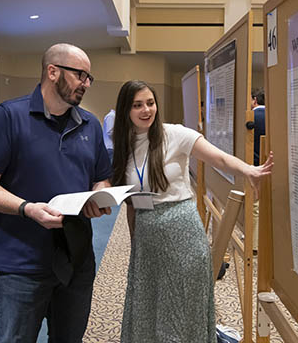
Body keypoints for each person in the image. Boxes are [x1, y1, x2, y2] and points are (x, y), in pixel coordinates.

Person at [0, 43, 112, 343]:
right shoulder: (9, 117)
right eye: (80, 75)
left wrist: (99, 196)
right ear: (53, 71)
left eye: (89, 78)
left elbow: (101, 179)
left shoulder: (91, 125)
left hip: (77, 262)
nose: (86, 84)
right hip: (22, 264)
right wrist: (27, 208)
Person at [112, 80, 274, 343]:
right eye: (137, 105)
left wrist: (248, 170)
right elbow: (132, 202)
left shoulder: (174, 134)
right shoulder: (124, 144)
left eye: (150, 103)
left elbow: (218, 158)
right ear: (125, 110)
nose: (146, 110)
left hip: (182, 232)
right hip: (147, 236)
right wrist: (135, 241)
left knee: (182, 306)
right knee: (150, 305)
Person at [251, 87, 266, 253]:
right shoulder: (274, 116)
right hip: (269, 164)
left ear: (254, 100)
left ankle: (254, 244)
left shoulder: (251, 117)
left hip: (253, 165)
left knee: (254, 205)